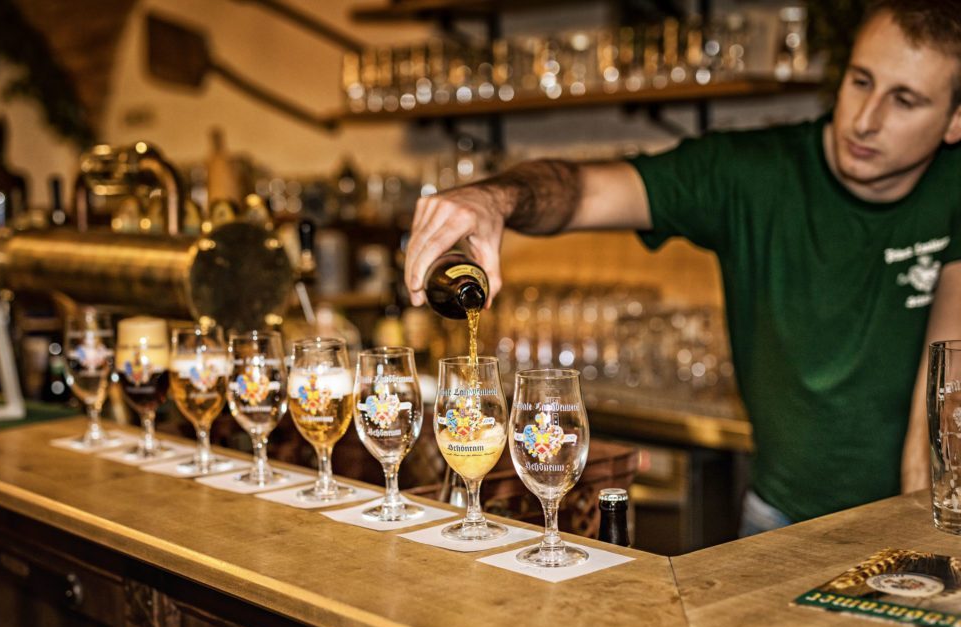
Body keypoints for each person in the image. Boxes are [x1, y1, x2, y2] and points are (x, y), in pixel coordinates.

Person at [404, 0, 961, 534]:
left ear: (955, 119)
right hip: (780, 518)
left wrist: (919, 530)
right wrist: (495, 199)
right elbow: (584, 192)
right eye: (860, 81)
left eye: (905, 100)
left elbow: (945, 388)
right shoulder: (750, 173)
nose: (865, 120)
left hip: (915, 511)